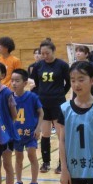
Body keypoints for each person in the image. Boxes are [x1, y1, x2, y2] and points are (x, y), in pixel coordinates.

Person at [31, 39, 71, 174]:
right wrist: (40, 95)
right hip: (43, 103)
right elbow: (35, 83)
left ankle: (62, 163)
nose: (44, 56)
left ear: (53, 51)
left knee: (60, 135)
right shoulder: (38, 66)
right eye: (42, 53)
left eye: (47, 53)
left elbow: (68, 82)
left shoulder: (62, 65)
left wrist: (61, 93)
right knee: (45, 134)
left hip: (58, 103)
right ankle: (46, 162)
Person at [10, 68, 43, 184]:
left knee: (31, 155)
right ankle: (18, 182)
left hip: (30, 133)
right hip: (17, 134)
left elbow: (41, 113)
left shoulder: (32, 97)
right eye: (12, 80)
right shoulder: (9, 98)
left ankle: (34, 183)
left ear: (25, 83)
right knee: (18, 158)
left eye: (17, 81)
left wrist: (38, 128)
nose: (14, 83)